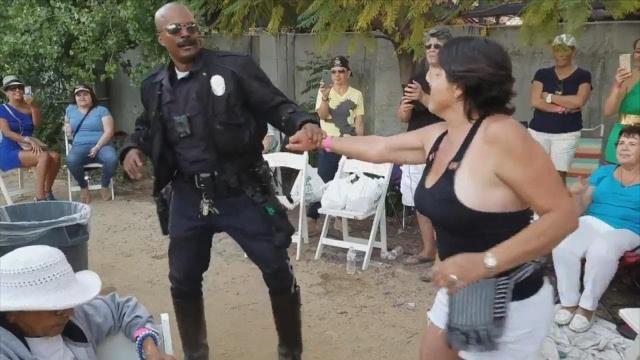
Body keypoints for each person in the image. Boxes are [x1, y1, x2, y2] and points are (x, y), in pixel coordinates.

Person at [289, 36, 577, 359]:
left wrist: (485, 262)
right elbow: (380, 148)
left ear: (459, 87)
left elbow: (563, 215)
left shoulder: (502, 136)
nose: (426, 79)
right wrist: (323, 142)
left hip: (508, 298)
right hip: (460, 288)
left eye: (436, 74)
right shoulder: (440, 136)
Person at [119, 3, 323, 360]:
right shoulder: (154, 85)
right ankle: (196, 354)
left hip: (242, 189)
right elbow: (146, 126)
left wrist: (303, 122)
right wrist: (132, 148)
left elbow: (276, 105)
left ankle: (290, 351)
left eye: (191, 27)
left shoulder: (234, 67)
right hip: (187, 193)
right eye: (176, 30)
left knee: (277, 268)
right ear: (161, 38)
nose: (186, 34)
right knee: (182, 279)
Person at [0, 245, 174, 360]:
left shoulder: (75, 321)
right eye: (56, 308)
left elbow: (120, 308)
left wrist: (149, 345)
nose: (69, 313)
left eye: (69, 303)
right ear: (11, 313)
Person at [552, 125, 640, 333]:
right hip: (594, 220)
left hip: (628, 229)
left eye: (633, 144)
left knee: (602, 250)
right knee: (563, 244)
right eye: (621, 143)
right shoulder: (603, 172)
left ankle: (587, 308)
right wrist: (577, 194)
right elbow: (581, 208)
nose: (624, 148)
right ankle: (569, 302)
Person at [397, 27, 451, 280]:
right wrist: (406, 109)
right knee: (420, 201)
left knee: (440, 203)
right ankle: (428, 250)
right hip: (415, 144)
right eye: (428, 45)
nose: (431, 49)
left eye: (437, 46)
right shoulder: (418, 76)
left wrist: (424, 97)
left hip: (442, 145)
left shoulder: (453, 77)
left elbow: (453, 114)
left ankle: (443, 259)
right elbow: (402, 116)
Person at [307, 55, 365, 234]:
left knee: (345, 182)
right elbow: (322, 116)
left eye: (341, 71)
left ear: (348, 73)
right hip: (328, 143)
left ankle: (340, 219)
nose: (338, 75)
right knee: (323, 180)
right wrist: (324, 98)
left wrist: (358, 146)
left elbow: (359, 122)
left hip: (347, 142)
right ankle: (312, 219)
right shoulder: (325, 92)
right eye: (334, 72)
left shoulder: (356, 94)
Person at [528, 34, 592, 183]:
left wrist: (549, 97)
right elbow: (536, 101)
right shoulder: (542, 73)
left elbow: (578, 101)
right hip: (538, 130)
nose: (561, 54)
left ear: (573, 51)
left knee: (558, 175)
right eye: (557, 50)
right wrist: (562, 109)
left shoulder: (583, 75)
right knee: (535, 171)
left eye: (565, 49)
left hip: (567, 132)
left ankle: (557, 205)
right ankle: (534, 206)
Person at [0, 75, 61, 201]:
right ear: (6, 92)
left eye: (19, 87)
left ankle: (47, 191)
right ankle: (39, 197)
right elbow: (7, 133)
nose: (17, 90)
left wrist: (33, 106)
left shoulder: (30, 107)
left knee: (55, 156)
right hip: (9, 149)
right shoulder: (2, 109)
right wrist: (28, 140)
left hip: (28, 147)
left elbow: (37, 124)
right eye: (12, 88)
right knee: (43, 156)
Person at [64, 85, 118, 203]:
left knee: (112, 159)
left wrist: (97, 146)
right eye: (78, 95)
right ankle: (83, 187)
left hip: (102, 145)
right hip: (79, 146)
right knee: (71, 160)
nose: (82, 97)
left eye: (85, 94)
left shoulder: (102, 110)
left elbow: (109, 131)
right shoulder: (70, 110)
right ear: (75, 98)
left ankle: (104, 185)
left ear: (91, 96)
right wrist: (67, 128)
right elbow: (66, 124)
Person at [603, 38, 640, 164]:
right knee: (616, 178)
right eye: (638, 51)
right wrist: (617, 85)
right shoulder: (627, 77)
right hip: (622, 134)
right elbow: (608, 111)